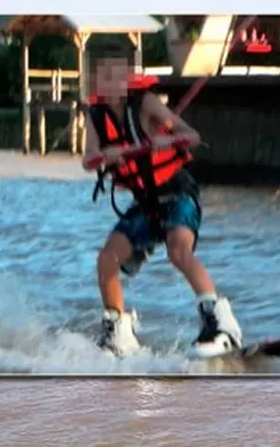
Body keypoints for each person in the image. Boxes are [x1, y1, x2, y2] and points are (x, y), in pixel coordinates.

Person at [81, 43, 243, 358]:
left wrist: (165, 140)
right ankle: (118, 334)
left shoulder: (146, 103)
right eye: (105, 76)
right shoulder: (96, 117)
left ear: (129, 77)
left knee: (178, 250)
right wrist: (105, 154)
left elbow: (192, 136)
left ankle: (221, 325)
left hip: (178, 193)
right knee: (107, 259)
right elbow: (88, 159)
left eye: (119, 76)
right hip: (145, 203)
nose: (113, 83)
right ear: (95, 80)